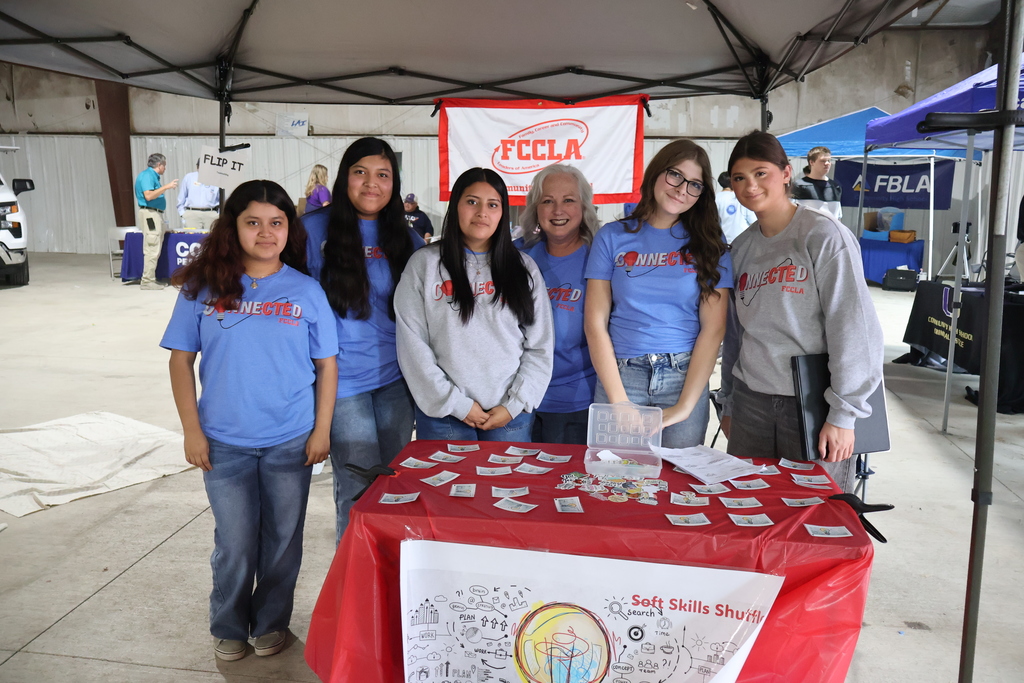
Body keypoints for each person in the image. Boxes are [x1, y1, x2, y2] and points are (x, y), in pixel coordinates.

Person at [161, 180, 338, 662]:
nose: (265, 233)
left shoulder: (306, 291)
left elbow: (327, 365)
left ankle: (271, 622)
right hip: (224, 442)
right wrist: (192, 431)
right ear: (232, 227)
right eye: (253, 222)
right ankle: (229, 624)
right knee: (235, 543)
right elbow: (180, 361)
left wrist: (322, 430)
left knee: (282, 542)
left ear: (289, 229)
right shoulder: (202, 288)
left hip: (290, 440)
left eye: (276, 223)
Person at [719, 131, 883, 493]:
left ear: (786, 173)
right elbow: (736, 335)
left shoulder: (823, 236)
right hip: (751, 403)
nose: (750, 186)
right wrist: (729, 402)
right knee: (749, 507)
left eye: (761, 173)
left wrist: (844, 414)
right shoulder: (741, 249)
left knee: (814, 511)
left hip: (812, 403)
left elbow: (853, 327)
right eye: (740, 177)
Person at [304, 137, 422, 545]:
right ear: (344, 178)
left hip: (396, 381)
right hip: (340, 382)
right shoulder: (311, 231)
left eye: (383, 175)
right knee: (356, 491)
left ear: (394, 184)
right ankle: (354, 581)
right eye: (360, 172)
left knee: (393, 487)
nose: (372, 183)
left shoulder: (408, 240)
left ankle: (390, 575)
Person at [584, 139, 732, 448]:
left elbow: (714, 328)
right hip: (622, 376)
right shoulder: (612, 236)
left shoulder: (709, 243)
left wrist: (686, 406)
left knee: (679, 477)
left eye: (694, 184)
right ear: (656, 172)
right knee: (615, 474)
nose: (682, 189)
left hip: (685, 377)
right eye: (675, 175)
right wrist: (619, 400)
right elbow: (595, 323)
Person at [395, 167, 553, 442]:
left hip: (509, 416)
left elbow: (540, 346)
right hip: (445, 415)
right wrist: (456, 404)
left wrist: (514, 404)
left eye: (492, 205)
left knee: (508, 475)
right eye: (472, 201)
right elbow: (412, 346)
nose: (482, 212)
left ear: (502, 213)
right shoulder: (424, 265)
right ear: (455, 205)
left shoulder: (523, 268)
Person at [516, 164, 598, 444]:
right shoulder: (516, 256)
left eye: (569, 200)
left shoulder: (600, 259)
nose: (558, 210)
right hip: (518, 400)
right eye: (548, 201)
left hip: (576, 403)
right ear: (535, 209)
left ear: (584, 206)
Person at [134, 153, 178, 290]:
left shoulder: (151, 176)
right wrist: (166, 187)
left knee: (155, 246)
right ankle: (147, 281)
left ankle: (150, 278)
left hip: (154, 214)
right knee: (152, 247)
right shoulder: (147, 176)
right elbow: (148, 196)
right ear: (159, 165)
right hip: (150, 214)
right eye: (164, 165)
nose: (165, 168)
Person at [791, 146, 843, 219]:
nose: (827, 163)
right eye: (823, 161)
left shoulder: (835, 187)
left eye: (829, 160)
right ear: (811, 162)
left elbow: (838, 217)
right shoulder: (798, 186)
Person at [176, 159, 220, 231]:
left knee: (212, 237)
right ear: (197, 167)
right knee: (192, 237)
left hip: (211, 214)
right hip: (192, 215)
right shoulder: (189, 177)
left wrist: (218, 214)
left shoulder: (216, 179)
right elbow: (181, 198)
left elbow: (221, 199)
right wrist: (183, 214)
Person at [715, 170, 756, 243]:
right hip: (742, 241)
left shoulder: (716, 198)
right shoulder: (741, 197)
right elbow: (753, 221)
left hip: (722, 241)